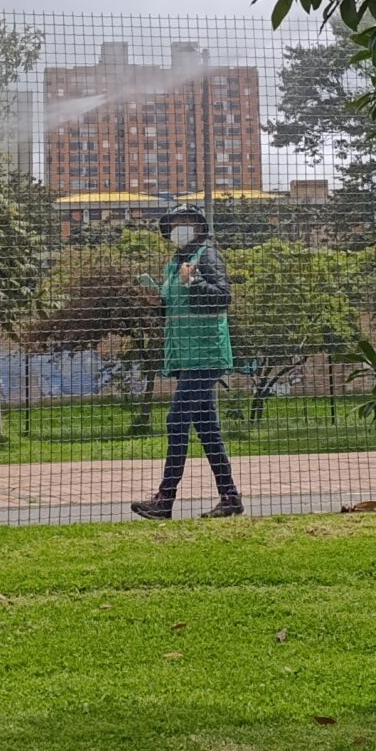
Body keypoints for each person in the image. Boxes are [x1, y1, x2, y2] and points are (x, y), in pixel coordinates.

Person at [130, 202, 243, 520]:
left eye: (186, 221)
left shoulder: (206, 255)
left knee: (176, 421)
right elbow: (172, 309)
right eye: (175, 222)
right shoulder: (174, 263)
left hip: (206, 354)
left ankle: (164, 501)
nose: (180, 227)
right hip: (186, 355)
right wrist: (157, 300)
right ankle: (230, 498)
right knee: (207, 429)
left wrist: (193, 282)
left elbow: (223, 297)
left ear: (198, 227)